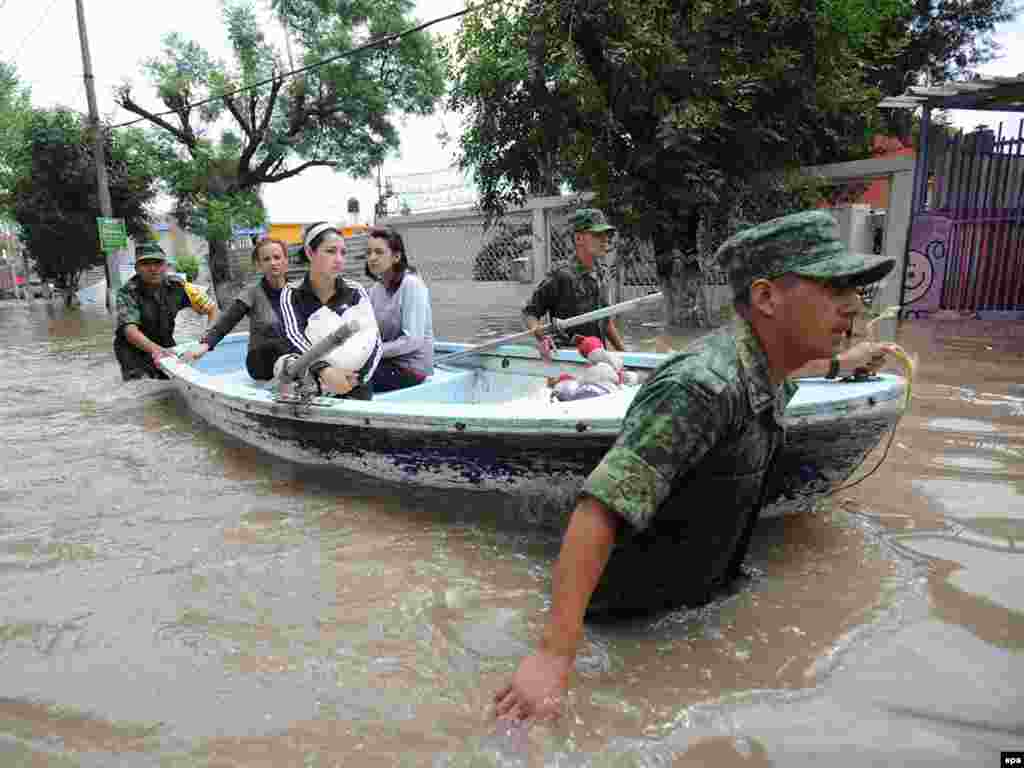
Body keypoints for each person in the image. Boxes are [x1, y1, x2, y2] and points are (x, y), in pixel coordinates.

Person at [493, 210, 897, 722]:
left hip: (697, 602)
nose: (854, 307)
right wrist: (553, 656)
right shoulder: (702, 387)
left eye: (856, 291)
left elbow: (793, 368)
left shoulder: (773, 370)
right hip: (624, 626)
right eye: (834, 287)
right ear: (767, 298)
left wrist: (843, 364)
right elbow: (599, 510)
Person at [277, 222, 382, 399]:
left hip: (354, 385)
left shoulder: (355, 291)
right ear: (310, 253)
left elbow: (375, 342)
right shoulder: (292, 293)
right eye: (331, 251)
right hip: (313, 386)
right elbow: (294, 338)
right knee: (283, 362)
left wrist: (357, 380)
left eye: (343, 252)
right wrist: (324, 370)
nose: (339, 259)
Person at [523, 208, 626, 361]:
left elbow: (606, 321)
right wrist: (539, 334)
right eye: (598, 235)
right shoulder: (562, 275)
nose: (605, 240)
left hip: (598, 358)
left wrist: (626, 355)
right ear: (579, 239)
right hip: (569, 359)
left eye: (606, 235)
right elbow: (530, 313)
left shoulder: (602, 274)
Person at [183, 238, 292, 380]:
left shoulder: (296, 292)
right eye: (266, 259)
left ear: (285, 261)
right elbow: (227, 321)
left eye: (277, 257)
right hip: (261, 359)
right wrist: (204, 345)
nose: (273, 263)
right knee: (277, 346)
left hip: (291, 357)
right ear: (259, 265)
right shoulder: (252, 293)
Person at [114, 241, 218, 381]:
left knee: (175, 382)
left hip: (164, 342)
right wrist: (156, 350)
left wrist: (207, 338)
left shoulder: (179, 285)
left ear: (166, 266)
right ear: (137, 268)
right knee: (141, 387)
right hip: (133, 350)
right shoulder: (127, 292)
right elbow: (130, 331)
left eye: (158, 263)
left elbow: (213, 310)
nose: (153, 268)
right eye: (146, 264)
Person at [365, 227, 434, 393]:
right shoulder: (375, 289)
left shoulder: (412, 284)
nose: (372, 258)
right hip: (385, 363)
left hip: (411, 369)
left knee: (352, 378)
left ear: (396, 256)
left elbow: (413, 340)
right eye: (369, 252)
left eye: (379, 252)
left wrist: (374, 352)